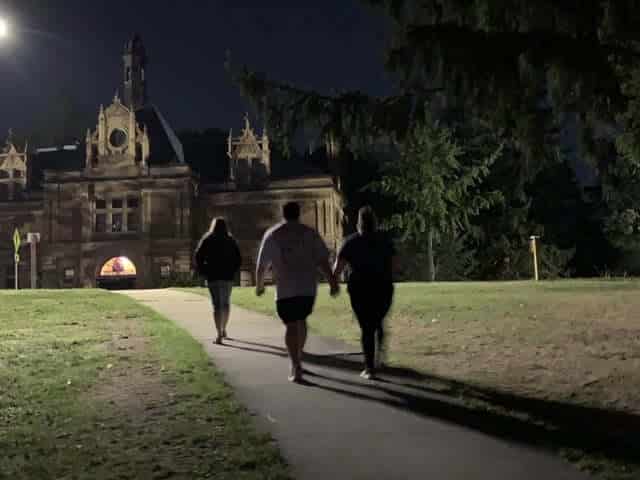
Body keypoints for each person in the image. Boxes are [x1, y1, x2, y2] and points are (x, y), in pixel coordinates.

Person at [256, 201, 339, 382]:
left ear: (283, 214)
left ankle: (295, 364)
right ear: (298, 214)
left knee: (291, 325)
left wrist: (259, 285)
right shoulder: (310, 234)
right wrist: (332, 282)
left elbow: (261, 265)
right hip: (307, 288)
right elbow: (323, 261)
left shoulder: (273, 234)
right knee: (301, 321)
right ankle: (298, 357)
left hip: (285, 289)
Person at [333, 206, 397, 380]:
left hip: (360, 290)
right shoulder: (385, 240)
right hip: (383, 288)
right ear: (375, 222)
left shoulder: (350, 242)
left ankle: (369, 368)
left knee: (366, 328)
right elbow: (394, 264)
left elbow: (337, 268)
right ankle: (379, 357)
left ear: (359, 223)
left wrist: (334, 284)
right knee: (377, 321)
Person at [195, 217, 242, 345]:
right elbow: (238, 258)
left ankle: (219, 334)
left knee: (217, 305)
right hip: (227, 276)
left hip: (213, 276)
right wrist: (233, 270)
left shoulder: (208, 239)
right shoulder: (230, 240)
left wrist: (203, 271)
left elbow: (198, 256)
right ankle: (224, 328)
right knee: (226, 303)